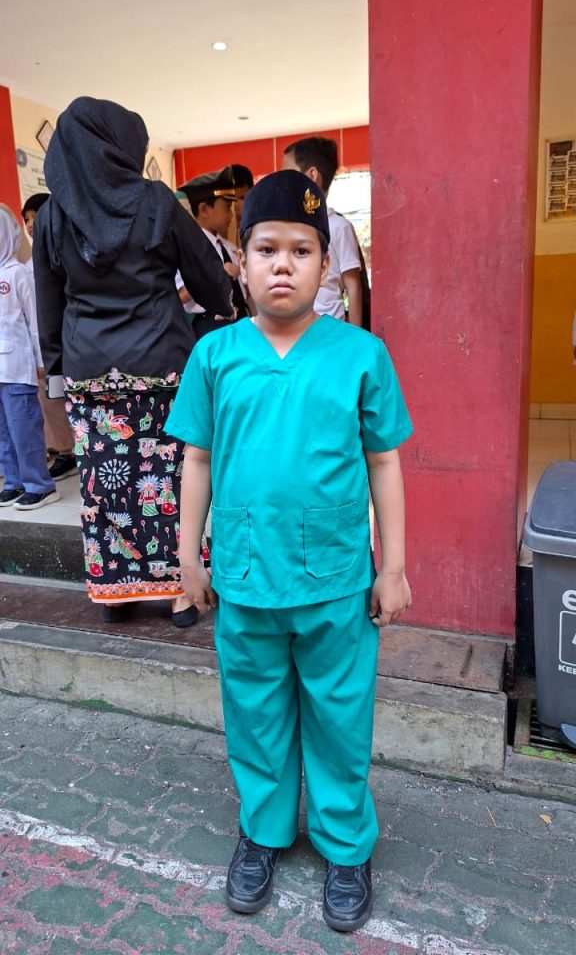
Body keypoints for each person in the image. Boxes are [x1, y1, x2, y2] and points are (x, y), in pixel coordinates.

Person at [165, 169, 412, 931]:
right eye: (266, 249)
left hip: (336, 581)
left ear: (324, 264)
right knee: (255, 712)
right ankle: (264, 831)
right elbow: (198, 460)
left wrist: (394, 567)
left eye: (301, 251)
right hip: (245, 579)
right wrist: (188, 558)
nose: (283, 265)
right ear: (240, 262)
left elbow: (383, 462)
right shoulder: (215, 356)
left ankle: (346, 844)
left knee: (340, 715)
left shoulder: (361, 355)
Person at [32, 96, 233, 626]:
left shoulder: (52, 216)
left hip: (90, 374)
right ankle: (181, 591)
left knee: (106, 484)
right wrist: (222, 305)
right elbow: (209, 279)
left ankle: (117, 592)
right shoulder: (156, 202)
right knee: (170, 478)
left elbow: (49, 306)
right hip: (162, 365)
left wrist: (57, 374)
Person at [0, 206, 60, 511]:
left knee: (24, 428)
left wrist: (41, 360)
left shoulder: (18, 273)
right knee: (3, 432)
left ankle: (40, 485)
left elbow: (35, 321)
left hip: (17, 367)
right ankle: (14, 482)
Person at [282, 136, 369, 328]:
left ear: (312, 175)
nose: (283, 183)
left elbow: (353, 287)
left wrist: (356, 338)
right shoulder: (288, 228)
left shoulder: (339, 227)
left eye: (288, 174)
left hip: (331, 329)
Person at [21, 193, 77, 483]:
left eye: (36, 215)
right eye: (27, 219)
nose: (32, 223)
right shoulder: (26, 267)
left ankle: (74, 449)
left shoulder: (67, 254)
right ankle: (65, 450)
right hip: (46, 342)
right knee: (51, 399)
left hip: (69, 338)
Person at [178, 167, 250, 336]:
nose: (231, 214)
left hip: (241, 321)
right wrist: (213, 275)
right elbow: (179, 297)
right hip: (211, 327)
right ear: (204, 210)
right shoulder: (188, 249)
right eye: (226, 207)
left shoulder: (229, 248)